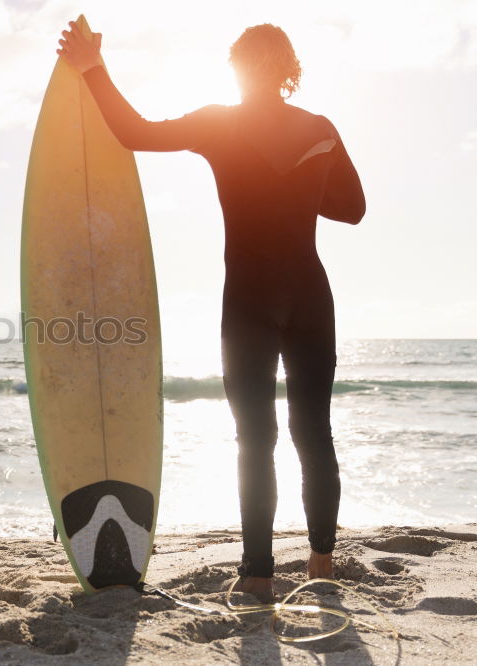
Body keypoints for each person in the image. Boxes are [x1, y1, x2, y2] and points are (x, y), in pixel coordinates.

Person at [57, 21, 365, 603]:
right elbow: (353, 209)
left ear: (237, 68)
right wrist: (300, 186)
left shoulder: (219, 124)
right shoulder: (320, 130)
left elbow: (133, 133)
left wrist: (93, 69)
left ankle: (257, 574)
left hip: (248, 297)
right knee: (313, 432)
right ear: (288, 69)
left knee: (255, 438)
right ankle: (322, 561)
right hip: (310, 295)